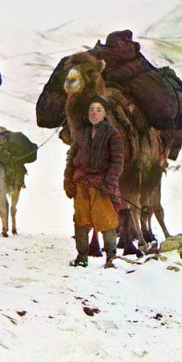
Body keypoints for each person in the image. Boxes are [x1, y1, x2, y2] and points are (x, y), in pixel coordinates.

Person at [63, 95, 124, 269]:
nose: (94, 113)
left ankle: (111, 258)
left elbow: (117, 162)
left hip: (101, 186)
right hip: (81, 184)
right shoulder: (82, 133)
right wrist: (68, 180)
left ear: (104, 113)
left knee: (107, 222)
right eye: (91, 110)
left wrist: (109, 183)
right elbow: (71, 158)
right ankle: (82, 256)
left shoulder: (113, 134)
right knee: (81, 222)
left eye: (98, 110)